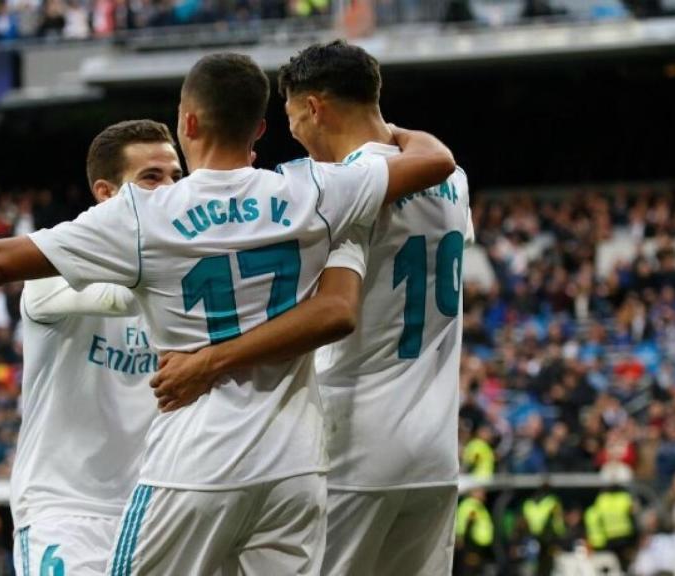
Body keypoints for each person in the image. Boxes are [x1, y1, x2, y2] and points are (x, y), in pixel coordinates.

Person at [0, 52, 457, 575]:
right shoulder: (310, 189)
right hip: (297, 470)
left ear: (189, 123)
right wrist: (393, 132)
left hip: (196, 463)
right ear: (261, 129)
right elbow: (434, 163)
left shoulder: (147, 218)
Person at [149, 39, 473, 576]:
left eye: (292, 116)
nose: (292, 131)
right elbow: (431, 164)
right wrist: (402, 135)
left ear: (314, 107)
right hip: (434, 455)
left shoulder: (331, 190)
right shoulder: (452, 181)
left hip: (355, 449)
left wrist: (208, 360)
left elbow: (330, 313)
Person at [11, 119, 181, 576]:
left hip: (157, 505)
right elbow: (124, 294)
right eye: (151, 178)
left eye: (175, 177)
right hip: (65, 507)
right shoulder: (50, 270)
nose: (168, 189)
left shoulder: (183, 268)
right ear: (106, 194)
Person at [522, 482, 565, 576]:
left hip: (532, 537)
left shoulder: (528, 503)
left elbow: (524, 522)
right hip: (548, 538)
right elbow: (558, 521)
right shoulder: (553, 501)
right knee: (547, 565)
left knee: (532, 565)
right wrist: (560, 537)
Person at [592, 485, 638, 572]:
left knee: (612, 565)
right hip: (625, 536)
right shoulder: (625, 497)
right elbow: (633, 513)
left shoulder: (602, 499)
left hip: (610, 537)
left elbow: (597, 518)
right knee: (625, 564)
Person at [454, 489, 495, 575]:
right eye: (481, 493)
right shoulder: (471, 505)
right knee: (469, 569)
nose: (484, 496)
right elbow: (465, 522)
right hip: (471, 545)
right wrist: (460, 537)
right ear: (473, 493)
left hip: (479, 547)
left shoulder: (479, 506)